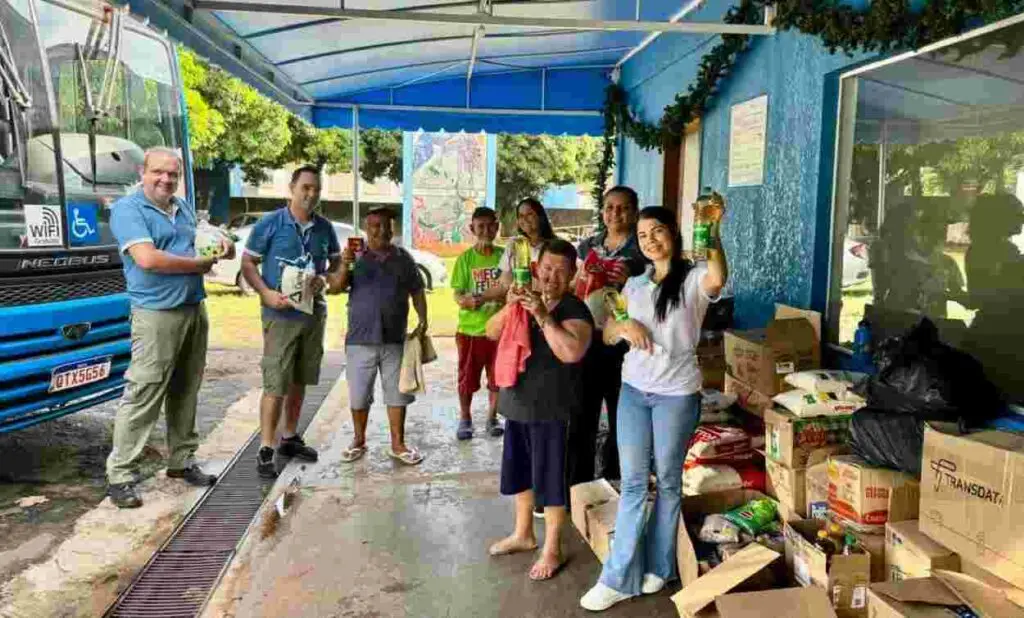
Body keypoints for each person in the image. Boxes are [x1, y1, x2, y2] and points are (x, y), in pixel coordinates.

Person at [581, 205, 727, 611]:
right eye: (643, 235)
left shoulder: (694, 279)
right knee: (632, 483)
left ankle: (660, 567)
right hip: (633, 391)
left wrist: (713, 231)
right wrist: (623, 326)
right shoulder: (634, 284)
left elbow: (718, 277)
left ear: (674, 234)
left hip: (676, 395)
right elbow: (608, 334)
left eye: (657, 231)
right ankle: (617, 578)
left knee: (667, 481)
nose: (650, 240)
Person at [105, 147, 234, 509]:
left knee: (186, 388)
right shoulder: (128, 209)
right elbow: (147, 258)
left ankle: (181, 460)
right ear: (142, 173)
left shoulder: (183, 207)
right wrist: (198, 265)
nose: (166, 180)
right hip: (156, 313)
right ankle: (121, 475)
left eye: (172, 174)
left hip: (193, 308)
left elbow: (201, 243)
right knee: (144, 391)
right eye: (158, 172)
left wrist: (221, 246)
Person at [485, 239, 594, 581]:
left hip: (553, 409)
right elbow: (490, 331)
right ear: (535, 268)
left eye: (561, 271)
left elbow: (571, 352)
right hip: (518, 402)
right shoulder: (522, 298)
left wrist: (543, 316)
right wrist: (511, 306)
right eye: (547, 268)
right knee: (521, 473)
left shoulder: (576, 309)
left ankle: (553, 547)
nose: (551, 277)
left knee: (551, 480)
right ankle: (523, 534)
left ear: (572, 275)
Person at [241, 165, 341, 479]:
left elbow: (336, 265)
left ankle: (289, 437)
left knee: (300, 378)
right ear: (292, 188)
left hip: (312, 315)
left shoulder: (324, 228)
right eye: (306, 187)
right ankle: (266, 447)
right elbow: (248, 262)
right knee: (276, 383)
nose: (311, 194)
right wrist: (265, 293)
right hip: (280, 316)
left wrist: (325, 279)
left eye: (316, 189)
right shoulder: (270, 223)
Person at [330, 207, 428, 466]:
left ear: (393, 229)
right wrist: (345, 264)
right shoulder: (355, 256)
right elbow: (336, 287)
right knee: (359, 394)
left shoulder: (403, 258)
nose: (381, 230)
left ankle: (398, 444)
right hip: (360, 338)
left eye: (386, 225)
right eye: (375, 225)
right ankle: (359, 440)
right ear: (366, 228)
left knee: (397, 394)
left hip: (394, 338)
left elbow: (417, 290)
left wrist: (423, 319)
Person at [573, 186, 647, 486]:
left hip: (625, 344)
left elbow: (654, 290)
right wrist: (584, 279)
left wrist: (632, 279)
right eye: (610, 207)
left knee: (622, 414)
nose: (616, 213)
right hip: (588, 339)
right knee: (583, 412)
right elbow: (574, 286)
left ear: (635, 212)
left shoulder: (643, 249)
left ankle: (615, 478)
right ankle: (578, 483)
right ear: (602, 211)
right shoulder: (587, 246)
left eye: (624, 207)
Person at [450, 207, 505, 441]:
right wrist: (464, 300)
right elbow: (457, 292)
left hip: (500, 331)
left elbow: (511, 287)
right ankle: (465, 418)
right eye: (480, 226)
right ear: (472, 229)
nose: (486, 231)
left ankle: (492, 417)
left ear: (497, 227)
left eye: (490, 226)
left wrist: (499, 297)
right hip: (470, 331)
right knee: (467, 378)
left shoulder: (505, 256)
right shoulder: (465, 259)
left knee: (498, 378)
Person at [489, 198, 556, 300]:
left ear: (540, 216)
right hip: (519, 304)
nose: (524, 219)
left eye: (529, 214)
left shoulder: (555, 246)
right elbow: (503, 284)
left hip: (546, 305)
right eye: (521, 216)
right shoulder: (514, 244)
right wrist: (479, 297)